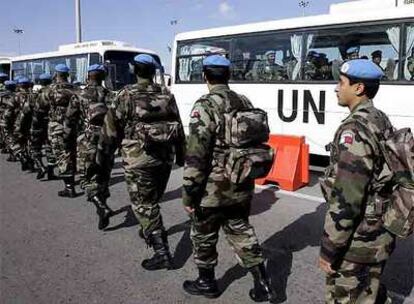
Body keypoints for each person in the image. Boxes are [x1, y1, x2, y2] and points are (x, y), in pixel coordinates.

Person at [182, 54, 274, 302]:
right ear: (228, 76)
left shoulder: (205, 105)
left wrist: (189, 193)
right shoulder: (243, 100)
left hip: (212, 188)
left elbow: (196, 155)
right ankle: (263, 282)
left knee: (203, 234)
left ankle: (207, 282)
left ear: (205, 77)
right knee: (241, 229)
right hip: (241, 180)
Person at [92, 54, 185, 267]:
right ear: (153, 72)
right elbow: (178, 126)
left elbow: (110, 131)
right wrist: (181, 155)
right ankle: (149, 229)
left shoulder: (125, 95)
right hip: (164, 158)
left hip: (138, 158)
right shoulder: (166, 93)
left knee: (144, 204)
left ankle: (162, 253)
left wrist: (102, 158)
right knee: (153, 199)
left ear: (134, 70)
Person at [319, 59, 395, 304]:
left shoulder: (355, 130)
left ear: (358, 88)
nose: (336, 88)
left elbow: (347, 200)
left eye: (341, 82)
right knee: (368, 291)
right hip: (379, 227)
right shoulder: (379, 118)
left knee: (345, 296)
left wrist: (330, 250)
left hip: (358, 239)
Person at [64, 64, 112, 227]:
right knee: (103, 175)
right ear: (103, 77)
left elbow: (70, 121)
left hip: (87, 140)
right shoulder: (110, 95)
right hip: (107, 140)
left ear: (88, 76)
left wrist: (67, 141)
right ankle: (102, 207)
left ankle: (100, 205)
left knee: (86, 177)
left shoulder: (79, 95)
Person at [32, 64, 78, 196]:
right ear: (67, 75)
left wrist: (36, 129)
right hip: (75, 127)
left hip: (57, 127)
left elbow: (39, 111)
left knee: (62, 154)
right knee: (71, 152)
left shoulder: (49, 90)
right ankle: (71, 178)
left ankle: (69, 187)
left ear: (55, 74)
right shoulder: (76, 89)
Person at [31, 73, 54, 179]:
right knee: (49, 147)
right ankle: (51, 171)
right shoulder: (54, 93)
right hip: (50, 124)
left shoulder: (38, 95)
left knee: (35, 147)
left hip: (38, 124)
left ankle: (41, 166)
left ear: (40, 83)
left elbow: (35, 112)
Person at [0, 80, 16, 155]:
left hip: (4, 116)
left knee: (6, 133)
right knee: (13, 133)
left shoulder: (2, 95)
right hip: (16, 117)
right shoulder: (17, 95)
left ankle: (9, 149)